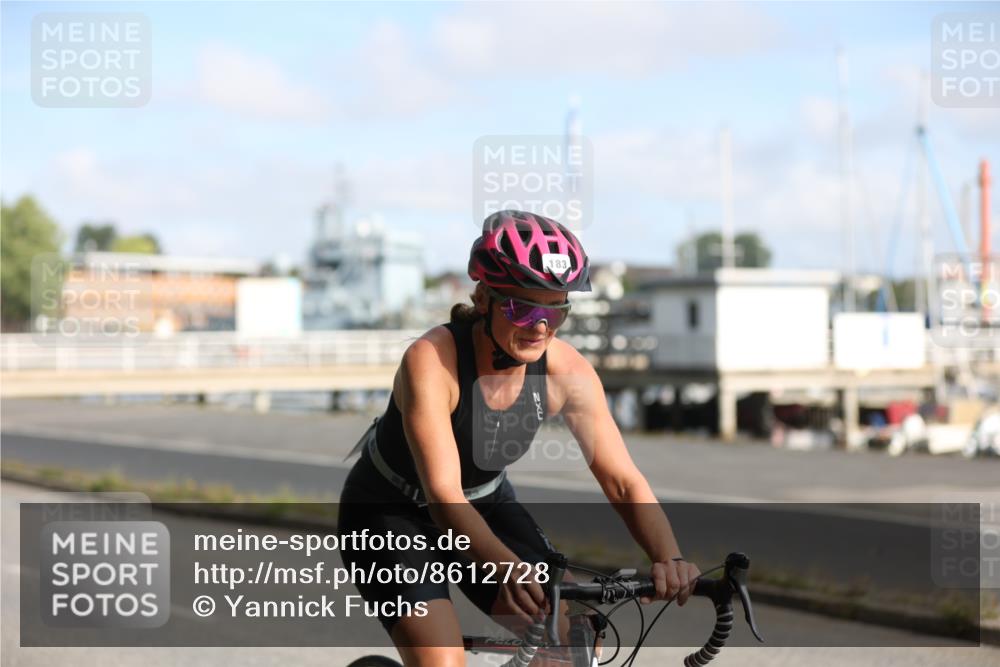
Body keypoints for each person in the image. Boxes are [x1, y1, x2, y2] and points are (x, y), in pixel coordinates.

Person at [338, 210, 699, 666]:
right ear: (483, 298)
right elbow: (444, 497)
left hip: (487, 505)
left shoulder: (566, 372)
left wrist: (669, 557)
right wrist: (508, 566)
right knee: (443, 663)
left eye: (555, 310)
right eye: (522, 308)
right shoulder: (431, 361)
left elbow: (623, 481)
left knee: (573, 645)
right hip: (392, 514)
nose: (540, 326)